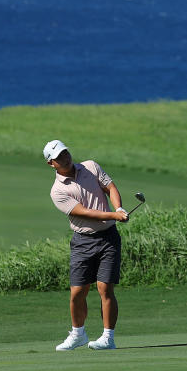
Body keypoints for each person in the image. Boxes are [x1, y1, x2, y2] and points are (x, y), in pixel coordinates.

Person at [43, 139, 130, 352]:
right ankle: (78, 334)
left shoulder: (91, 166)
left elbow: (110, 187)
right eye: (58, 157)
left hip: (108, 238)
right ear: (51, 164)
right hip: (83, 241)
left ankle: (108, 338)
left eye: (65, 153)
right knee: (77, 292)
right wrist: (113, 215)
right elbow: (86, 213)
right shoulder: (57, 191)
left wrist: (119, 208)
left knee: (105, 288)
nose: (64, 157)